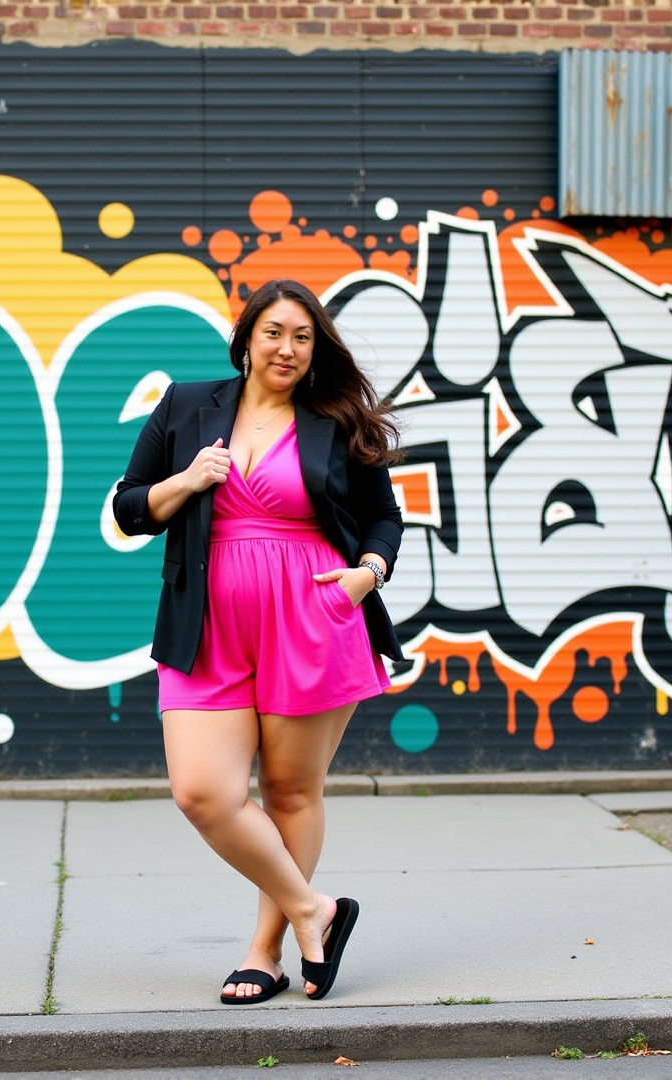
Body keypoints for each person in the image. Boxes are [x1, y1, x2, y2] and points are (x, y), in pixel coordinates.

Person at [111, 278, 405, 1005]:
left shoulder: (335, 419)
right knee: (202, 793)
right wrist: (185, 481)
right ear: (247, 339)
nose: (288, 348)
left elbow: (384, 520)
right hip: (205, 626)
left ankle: (266, 952)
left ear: (315, 350)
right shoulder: (187, 406)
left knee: (289, 791)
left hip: (311, 620)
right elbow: (128, 509)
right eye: (275, 332)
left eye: (303, 337)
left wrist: (369, 573)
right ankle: (317, 911)